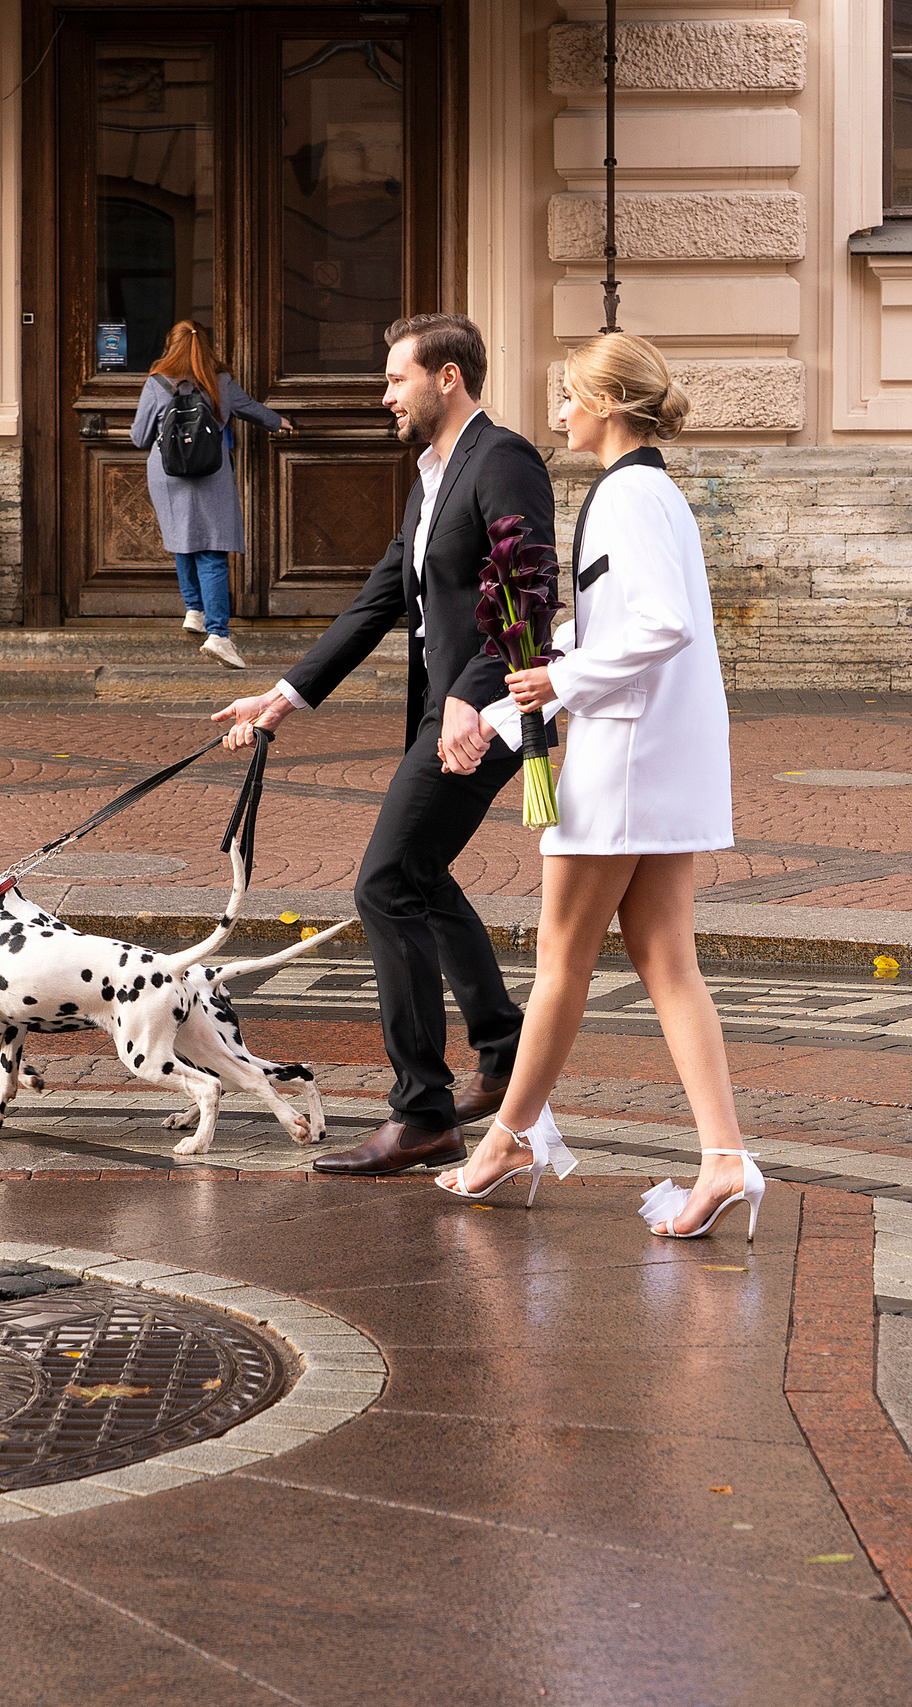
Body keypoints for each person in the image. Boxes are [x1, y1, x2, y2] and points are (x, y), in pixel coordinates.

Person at [430, 332, 757, 1240]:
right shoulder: (648, 494)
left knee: (562, 963)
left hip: (625, 762)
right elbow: (610, 632)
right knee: (663, 958)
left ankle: (508, 1139)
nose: (558, 412)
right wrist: (503, 712)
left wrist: (555, 684)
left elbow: (660, 626)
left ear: (609, 402)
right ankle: (724, 1156)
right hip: (652, 754)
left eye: (569, 395)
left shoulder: (629, 495)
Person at [214, 313, 555, 1177]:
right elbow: (378, 602)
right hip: (451, 714)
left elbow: (528, 596)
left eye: (396, 378)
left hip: (492, 715)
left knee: (383, 883)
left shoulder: (503, 458)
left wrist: (471, 702)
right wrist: (283, 697)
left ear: (447, 377)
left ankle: (423, 1111)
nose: (384, 395)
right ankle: (504, 1052)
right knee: (421, 877)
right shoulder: (432, 477)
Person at [131, 322, 292, 671]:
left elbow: (140, 437)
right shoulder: (220, 383)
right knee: (212, 551)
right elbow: (252, 409)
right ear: (206, 347)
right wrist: (279, 422)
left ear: (169, 346)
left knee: (182, 539)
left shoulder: (156, 384)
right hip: (210, 473)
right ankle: (219, 635)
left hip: (168, 475)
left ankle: (195, 610)